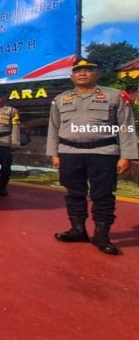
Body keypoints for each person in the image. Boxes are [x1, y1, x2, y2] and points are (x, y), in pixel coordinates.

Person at [47, 59, 138, 255]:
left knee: (103, 194)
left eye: (88, 70)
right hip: (69, 153)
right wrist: (54, 153)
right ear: (72, 76)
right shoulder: (61, 99)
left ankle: (101, 235)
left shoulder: (115, 96)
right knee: (73, 192)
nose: (82, 74)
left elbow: (126, 127)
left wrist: (127, 156)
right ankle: (78, 229)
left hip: (103, 153)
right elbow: (53, 128)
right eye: (78, 71)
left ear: (97, 74)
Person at [0, 90, 21, 196]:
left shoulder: (12, 111)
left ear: (5, 98)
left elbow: (16, 127)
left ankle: (3, 187)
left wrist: (15, 142)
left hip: (5, 141)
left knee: (5, 166)